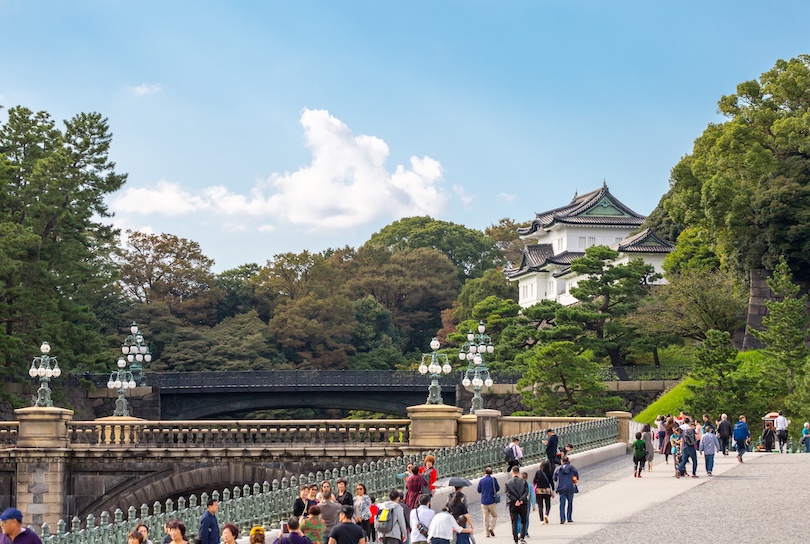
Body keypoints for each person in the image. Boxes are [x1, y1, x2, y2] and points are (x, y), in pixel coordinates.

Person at [504, 465, 528, 544]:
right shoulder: (524, 481)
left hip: (513, 504)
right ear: (519, 472)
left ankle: (515, 540)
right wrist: (521, 500)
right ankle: (522, 537)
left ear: (512, 472)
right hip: (523, 504)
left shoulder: (508, 483)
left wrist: (516, 501)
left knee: (514, 522)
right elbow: (526, 492)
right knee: (523, 521)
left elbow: (508, 494)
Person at [553, 456, 578, 524]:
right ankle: (569, 518)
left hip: (561, 488)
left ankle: (562, 518)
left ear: (561, 461)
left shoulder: (558, 469)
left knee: (562, 504)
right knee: (570, 503)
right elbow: (576, 477)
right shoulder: (572, 468)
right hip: (570, 487)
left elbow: (554, 478)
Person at [477, 467, 499, 537]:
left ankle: (487, 533)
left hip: (484, 501)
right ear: (491, 473)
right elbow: (497, 488)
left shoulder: (481, 481)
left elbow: (479, 490)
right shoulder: (493, 479)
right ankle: (491, 528)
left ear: (484, 472)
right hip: (492, 501)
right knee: (494, 515)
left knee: (485, 518)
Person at [532, 459, 554, 525]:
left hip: (539, 490)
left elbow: (534, 481)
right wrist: (553, 490)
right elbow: (551, 482)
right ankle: (546, 515)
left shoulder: (538, 472)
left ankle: (541, 520)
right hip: (547, 490)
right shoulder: (549, 472)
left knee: (540, 506)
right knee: (548, 505)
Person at [515, 472, 535, 538]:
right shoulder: (529, 485)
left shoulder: (517, 484)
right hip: (526, 502)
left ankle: (518, 532)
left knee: (518, 518)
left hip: (518, 502)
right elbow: (532, 495)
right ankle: (525, 532)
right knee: (526, 518)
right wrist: (534, 504)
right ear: (527, 477)